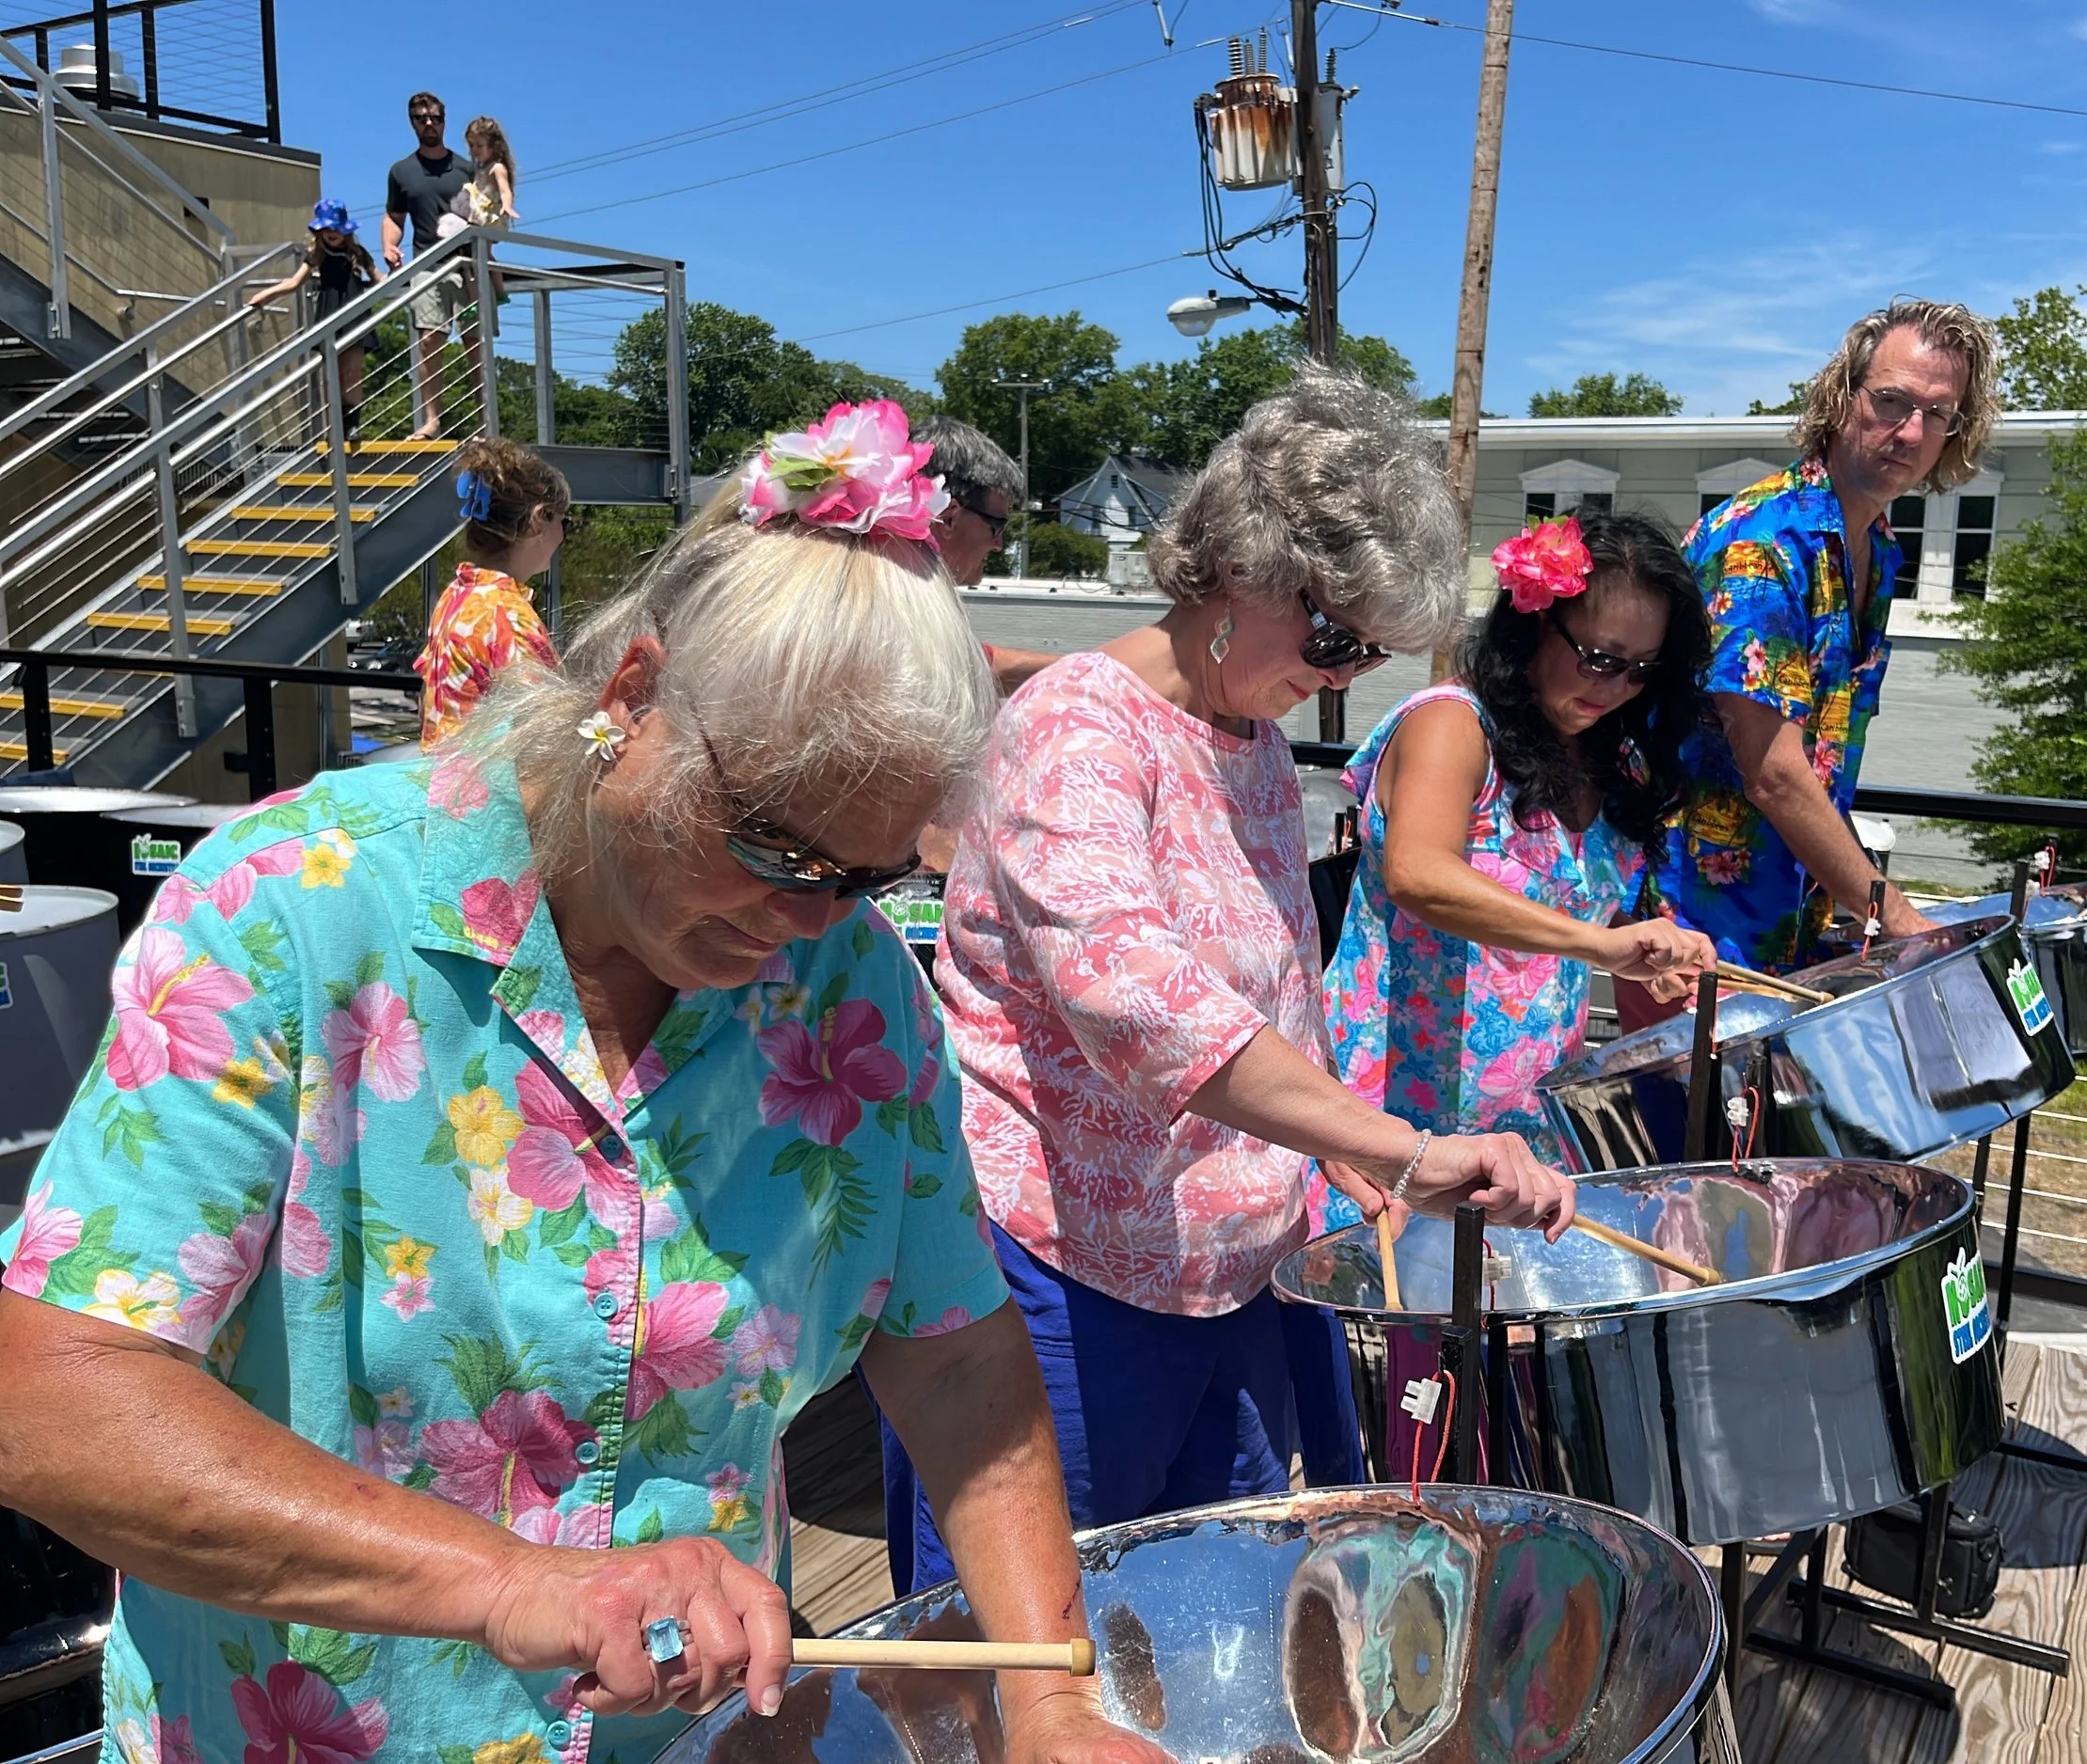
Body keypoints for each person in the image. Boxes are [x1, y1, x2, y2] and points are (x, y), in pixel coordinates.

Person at [0, 399, 1160, 1764]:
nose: (804, 917)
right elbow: (54, 1398)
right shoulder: (291, 905)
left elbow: (957, 1354)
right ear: (632, 697)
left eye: (865, 874)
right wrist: (511, 1584)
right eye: (772, 845)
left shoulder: (852, 987)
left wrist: (1054, 1697)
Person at [878, 369, 1579, 1596]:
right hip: (1064, 1273)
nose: (1346, 671)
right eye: (1334, 635)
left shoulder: (1250, 742)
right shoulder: (1078, 727)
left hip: (1236, 1272)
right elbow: (1135, 1002)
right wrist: (1403, 1140)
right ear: (1242, 569)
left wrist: (1335, 1156)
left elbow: (1272, 983)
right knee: (1024, 1632)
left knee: (1213, 1620)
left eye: (1370, 647)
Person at [1322, 510, 1717, 1173]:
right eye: (1599, 659)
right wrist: (1599, 945)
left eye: (1641, 670)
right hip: (1395, 1119)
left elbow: (1567, 899)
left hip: (1524, 1131)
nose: (1616, 687)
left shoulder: (1609, 758)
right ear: (1534, 620)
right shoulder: (1450, 724)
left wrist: (1644, 944)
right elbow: (1418, 875)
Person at [1651, 298, 2000, 977]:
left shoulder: (1878, 549)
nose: (1911, 432)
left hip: (1790, 919)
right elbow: (1774, 774)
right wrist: (1893, 913)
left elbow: (1821, 762)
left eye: (1938, 414)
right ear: (1842, 398)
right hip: (1685, 923)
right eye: (1893, 401)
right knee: (1691, 1091)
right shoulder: (1763, 544)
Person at [419, 437, 571, 748]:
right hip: (484, 789)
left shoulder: (458, 595)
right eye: (563, 520)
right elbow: (546, 733)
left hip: (443, 779)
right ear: (538, 520)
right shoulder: (506, 615)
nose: (563, 536)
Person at [914, 415, 1055, 693]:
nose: (999, 545)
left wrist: (1092, 670)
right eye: (997, 526)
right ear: (948, 518)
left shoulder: (890, 576)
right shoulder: (902, 599)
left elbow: (972, 666)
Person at [382, 90, 476, 441]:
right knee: (428, 340)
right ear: (412, 123)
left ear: (444, 121)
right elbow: (394, 216)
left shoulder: (467, 168)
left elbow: (489, 213)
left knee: (475, 340)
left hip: (467, 265)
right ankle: (432, 420)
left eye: (435, 117)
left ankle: (484, 419)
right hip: (426, 264)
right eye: (422, 118)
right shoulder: (402, 171)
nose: (429, 124)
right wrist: (389, 244)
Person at [245, 198, 377, 433]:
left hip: (355, 313)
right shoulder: (318, 254)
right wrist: (267, 294)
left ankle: (353, 422)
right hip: (329, 312)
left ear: (344, 229)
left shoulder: (359, 253)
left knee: (352, 371)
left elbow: (379, 278)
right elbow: (294, 282)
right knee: (333, 373)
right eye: (325, 230)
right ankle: (336, 423)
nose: (330, 234)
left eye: (334, 228)